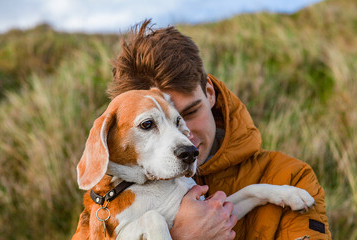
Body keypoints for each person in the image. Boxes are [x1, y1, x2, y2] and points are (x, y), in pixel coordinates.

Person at [107, 19, 331, 240]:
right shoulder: (106, 197)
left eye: (190, 113)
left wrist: (261, 193)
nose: (184, 136)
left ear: (209, 93)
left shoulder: (292, 176)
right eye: (149, 124)